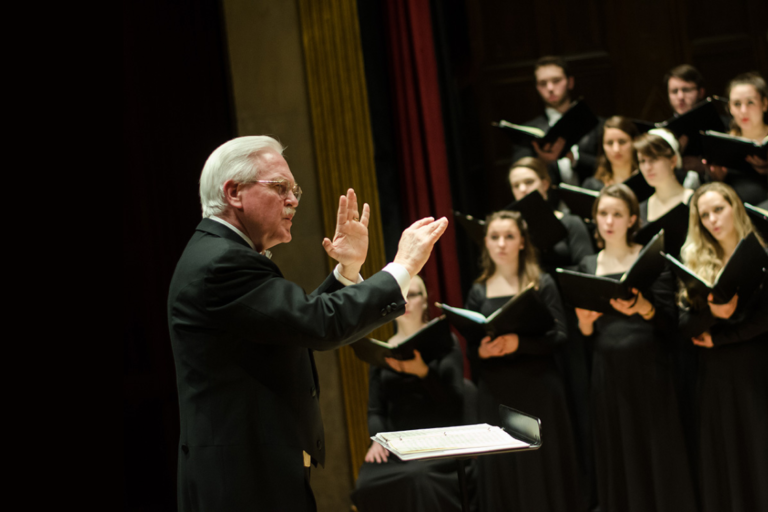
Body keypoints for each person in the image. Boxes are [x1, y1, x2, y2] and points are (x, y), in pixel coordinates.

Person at [167, 135, 449, 512]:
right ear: (234, 193)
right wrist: (403, 267)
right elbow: (317, 324)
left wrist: (347, 271)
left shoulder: (222, 254)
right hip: (240, 480)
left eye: (295, 189)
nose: (293, 200)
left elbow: (292, 321)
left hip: (251, 470)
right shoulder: (222, 263)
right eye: (280, 187)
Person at [574, 184, 697, 512]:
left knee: (657, 450)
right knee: (619, 451)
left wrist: (645, 307)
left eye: (616, 214)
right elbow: (585, 336)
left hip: (650, 369)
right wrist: (585, 322)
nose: (608, 221)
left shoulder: (651, 259)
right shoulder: (587, 264)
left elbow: (672, 323)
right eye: (602, 214)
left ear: (632, 219)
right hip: (609, 374)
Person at [465, 211, 588, 512]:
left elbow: (560, 335)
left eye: (509, 236)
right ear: (486, 243)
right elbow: (471, 347)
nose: (501, 244)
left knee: (542, 469)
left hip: (539, 390)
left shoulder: (541, 283)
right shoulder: (478, 290)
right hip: (497, 392)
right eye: (494, 237)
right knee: (505, 471)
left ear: (522, 242)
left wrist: (520, 343)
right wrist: (482, 351)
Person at [508, 157, 596, 507]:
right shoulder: (515, 232)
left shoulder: (570, 223)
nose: (522, 190)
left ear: (546, 183)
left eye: (529, 182)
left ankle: (592, 495)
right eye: (516, 186)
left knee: (581, 409)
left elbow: (584, 271)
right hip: (538, 335)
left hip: (572, 331)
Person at [677, 182, 768, 512]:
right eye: (704, 215)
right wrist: (711, 315)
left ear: (736, 208)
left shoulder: (762, 252)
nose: (712, 219)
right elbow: (682, 325)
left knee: (759, 447)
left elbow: (765, 319)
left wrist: (720, 335)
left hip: (757, 366)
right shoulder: (696, 262)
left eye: (719, 209)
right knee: (728, 451)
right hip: (716, 373)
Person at [352, 276, 467, 512]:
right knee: (366, 483)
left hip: (440, 442)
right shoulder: (383, 352)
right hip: (398, 444)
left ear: (425, 301)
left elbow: (455, 404)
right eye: (400, 296)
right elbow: (375, 410)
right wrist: (377, 439)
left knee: (418, 477)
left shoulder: (447, 343)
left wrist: (423, 373)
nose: (406, 302)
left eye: (413, 295)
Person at [511, 56, 602, 193]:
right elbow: (519, 175)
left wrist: (574, 158)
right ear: (537, 88)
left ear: (570, 82)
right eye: (543, 83)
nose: (550, 88)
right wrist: (543, 161)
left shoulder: (597, 125)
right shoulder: (528, 131)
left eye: (556, 80)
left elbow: (612, 166)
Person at [704, 72, 768, 204]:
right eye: (737, 104)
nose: (743, 110)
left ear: (764, 104)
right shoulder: (723, 144)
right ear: (729, 108)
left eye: (750, 102)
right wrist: (717, 179)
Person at [634, 128, 694, 224]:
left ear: (673, 161)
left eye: (653, 159)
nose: (647, 167)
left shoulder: (694, 201)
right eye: (642, 161)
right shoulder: (641, 210)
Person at [582, 116, 640, 192]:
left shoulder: (648, 181)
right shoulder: (592, 186)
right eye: (609, 143)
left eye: (622, 142)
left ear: (634, 141)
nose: (616, 149)